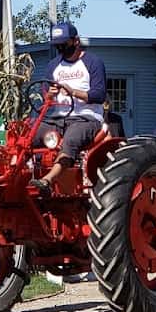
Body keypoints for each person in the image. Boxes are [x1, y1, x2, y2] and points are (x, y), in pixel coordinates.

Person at [32, 22, 107, 190]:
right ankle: (17, 175)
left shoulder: (93, 62)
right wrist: (50, 94)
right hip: (58, 118)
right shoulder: (53, 65)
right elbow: (45, 95)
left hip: (86, 117)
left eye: (64, 44)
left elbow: (99, 95)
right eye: (57, 46)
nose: (61, 49)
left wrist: (73, 92)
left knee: (71, 139)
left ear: (76, 41)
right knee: (29, 133)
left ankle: (48, 180)